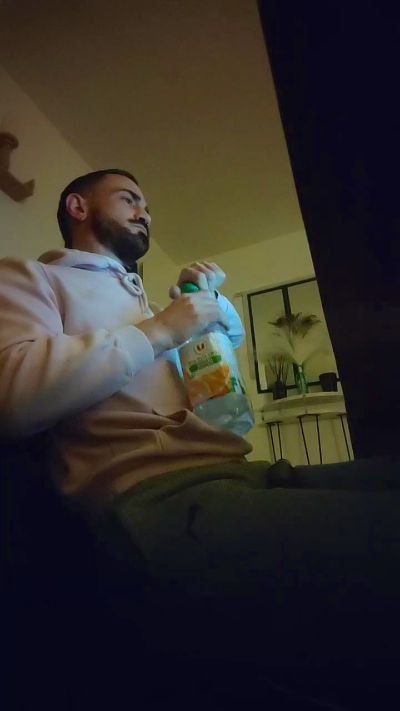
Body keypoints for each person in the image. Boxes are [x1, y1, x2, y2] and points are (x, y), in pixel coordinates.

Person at [2, 170, 400, 708]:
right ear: (78, 206)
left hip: (244, 476)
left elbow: (222, 371)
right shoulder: (34, 277)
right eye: (129, 199)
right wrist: (163, 329)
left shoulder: (146, 307)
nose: (144, 212)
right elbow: (14, 395)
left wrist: (204, 306)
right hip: (159, 503)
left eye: (147, 205)